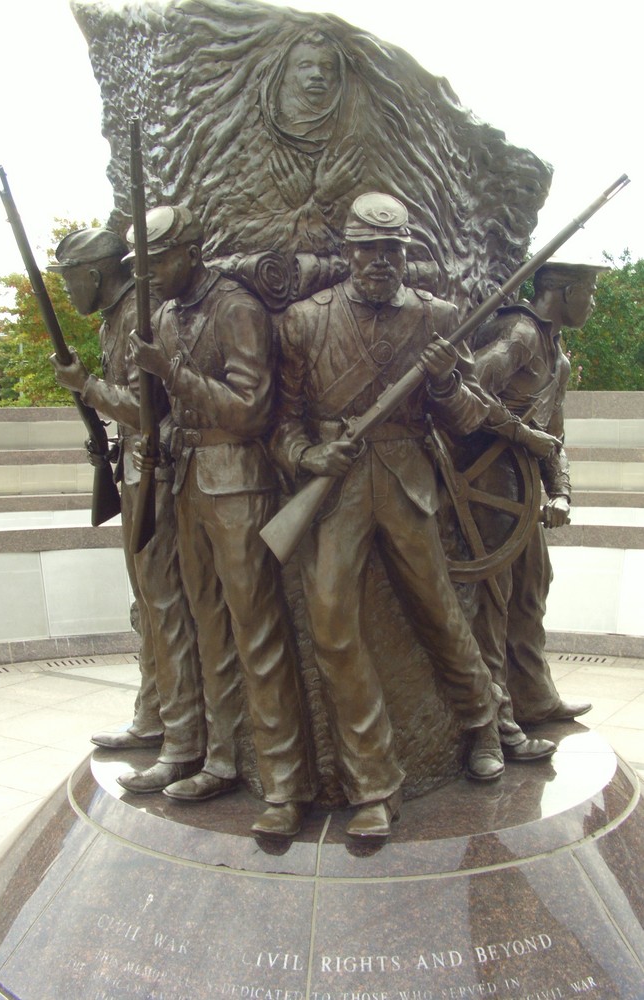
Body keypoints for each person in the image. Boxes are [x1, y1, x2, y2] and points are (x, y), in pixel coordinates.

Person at [271, 192, 502, 839]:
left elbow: (465, 420)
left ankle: (481, 722)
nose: (379, 262)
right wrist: (311, 454)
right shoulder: (303, 322)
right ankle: (373, 785)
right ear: (347, 252)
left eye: (391, 251)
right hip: (335, 488)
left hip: (405, 480)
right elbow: (280, 426)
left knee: (435, 608)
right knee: (332, 630)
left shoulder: (436, 318)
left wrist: (443, 383)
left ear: (406, 257)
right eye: (368, 250)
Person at [127, 205, 315, 838]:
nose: (149, 276)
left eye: (159, 261)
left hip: (237, 481)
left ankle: (286, 785)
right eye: (141, 268)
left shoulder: (237, 307)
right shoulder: (166, 313)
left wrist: (171, 373)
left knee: (256, 633)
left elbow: (250, 411)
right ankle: (221, 757)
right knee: (210, 629)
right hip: (186, 481)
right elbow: (157, 402)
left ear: (191, 250)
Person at [48, 227, 205, 792]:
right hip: (135, 470)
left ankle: (184, 740)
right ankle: (153, 714)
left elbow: (146, 408)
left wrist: (86, 386)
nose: (67, 292)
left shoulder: (144, 315)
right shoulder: (115, 320)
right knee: (147, 605)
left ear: (94, 274)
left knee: (166, 608)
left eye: (69, 280)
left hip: (160, 475)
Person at [469, 259, 606, 727]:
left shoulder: (559, 359)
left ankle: (533, 696)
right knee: (495, 593)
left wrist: (562, 493)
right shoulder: (521, 335)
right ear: (563, 292)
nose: (593, 302)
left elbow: (556, 437)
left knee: (532, 587)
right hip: (486, 482)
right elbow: (465, 390)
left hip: (523, 485)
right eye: (588, 291)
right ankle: (495, 715)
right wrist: (523, 436)